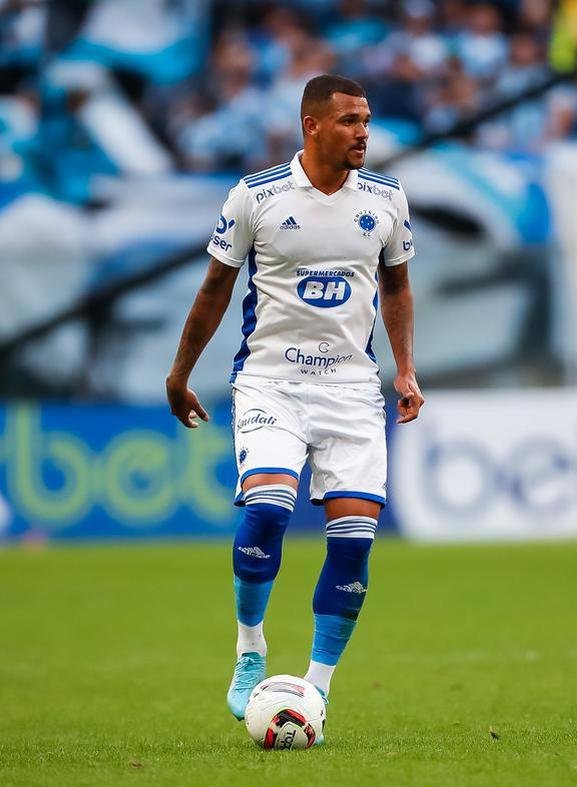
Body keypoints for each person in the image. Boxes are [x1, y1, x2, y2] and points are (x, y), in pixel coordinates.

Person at [165, 74, 423, 727]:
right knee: (269, 508)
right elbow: (215, 289)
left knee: (354, 543)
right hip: (270, 381)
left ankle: (316, 688)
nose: (363, 133)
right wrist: (180, 372)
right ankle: (250, 647)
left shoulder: (387, 199)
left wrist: (406, 371)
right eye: (349, 121)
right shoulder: (255, 197)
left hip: (352, 390)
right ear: (312, 125)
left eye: (367, 120)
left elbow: (397, 288)